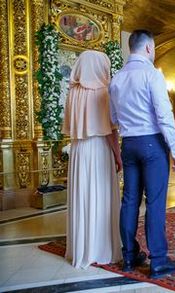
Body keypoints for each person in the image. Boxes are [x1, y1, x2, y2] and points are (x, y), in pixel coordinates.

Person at [109, 29, 175, 278]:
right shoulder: (152, 75)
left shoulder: (116, 78)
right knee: (155, 202)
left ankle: (129, 257)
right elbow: (164, 115)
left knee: (129, 200)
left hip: (128, 143)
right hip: (152, 143)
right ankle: (159, 260)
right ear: (149, 48)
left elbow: (113, 118)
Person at [62, 50, 122, 269]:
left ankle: (81, 248)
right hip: (99, 149)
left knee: (83, 195)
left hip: (79, 150)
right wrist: (118, 154)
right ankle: (102, 248)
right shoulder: (104, 92)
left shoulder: (73, 92)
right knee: (101, 195)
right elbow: (110, 130)